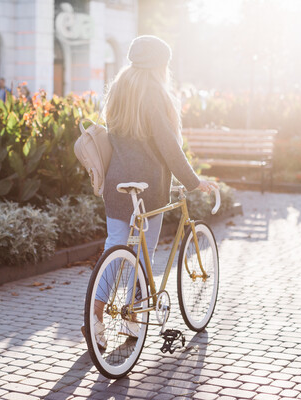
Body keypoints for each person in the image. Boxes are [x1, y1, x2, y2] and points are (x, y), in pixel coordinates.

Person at [82, 35, 218, 348]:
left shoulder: (119, 86)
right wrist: (193, 180)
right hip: (150, 186)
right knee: (143, 255)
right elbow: (168, 145)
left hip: (118, 184)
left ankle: (102, 316)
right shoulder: (155, 92)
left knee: (116, 248)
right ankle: (129, 318)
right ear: (160, 64)